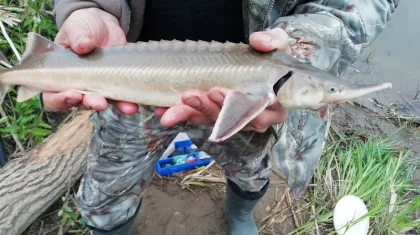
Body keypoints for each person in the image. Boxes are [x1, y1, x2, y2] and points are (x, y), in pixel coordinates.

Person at [44, 0, 398, 234]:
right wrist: (87, 7)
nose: (332, 97)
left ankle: (240, 213)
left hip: (256, 93)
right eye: (331, 93)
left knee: (250, 170)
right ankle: (111, 226)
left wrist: (305, 40)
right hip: (127, 80)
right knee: (107, 191)